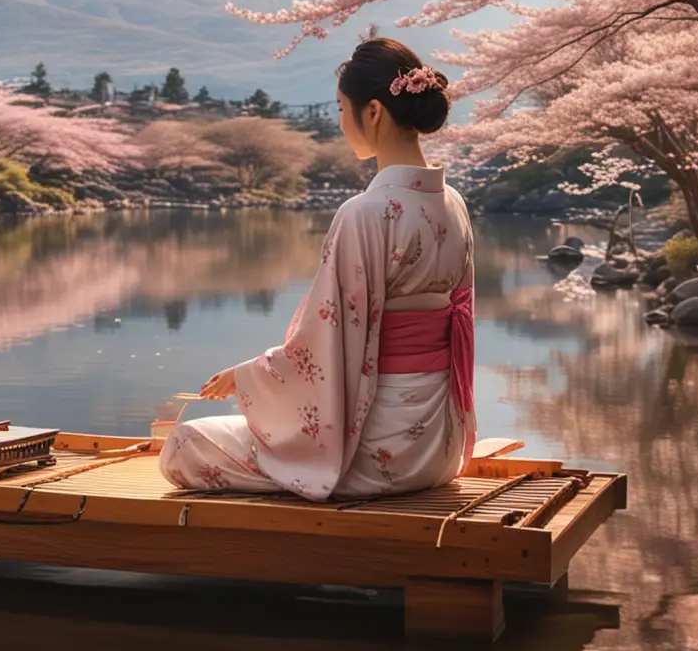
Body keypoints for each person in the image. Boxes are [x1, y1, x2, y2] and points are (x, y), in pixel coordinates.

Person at [158, 38, 476, 501]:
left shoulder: (367, 213)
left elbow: (325, 342)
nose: (340, 122)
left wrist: (246, 376)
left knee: (187, 445)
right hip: (438, 448)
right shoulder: (455, 204)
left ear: (373, 112)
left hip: (379, 455)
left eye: (341, 108)